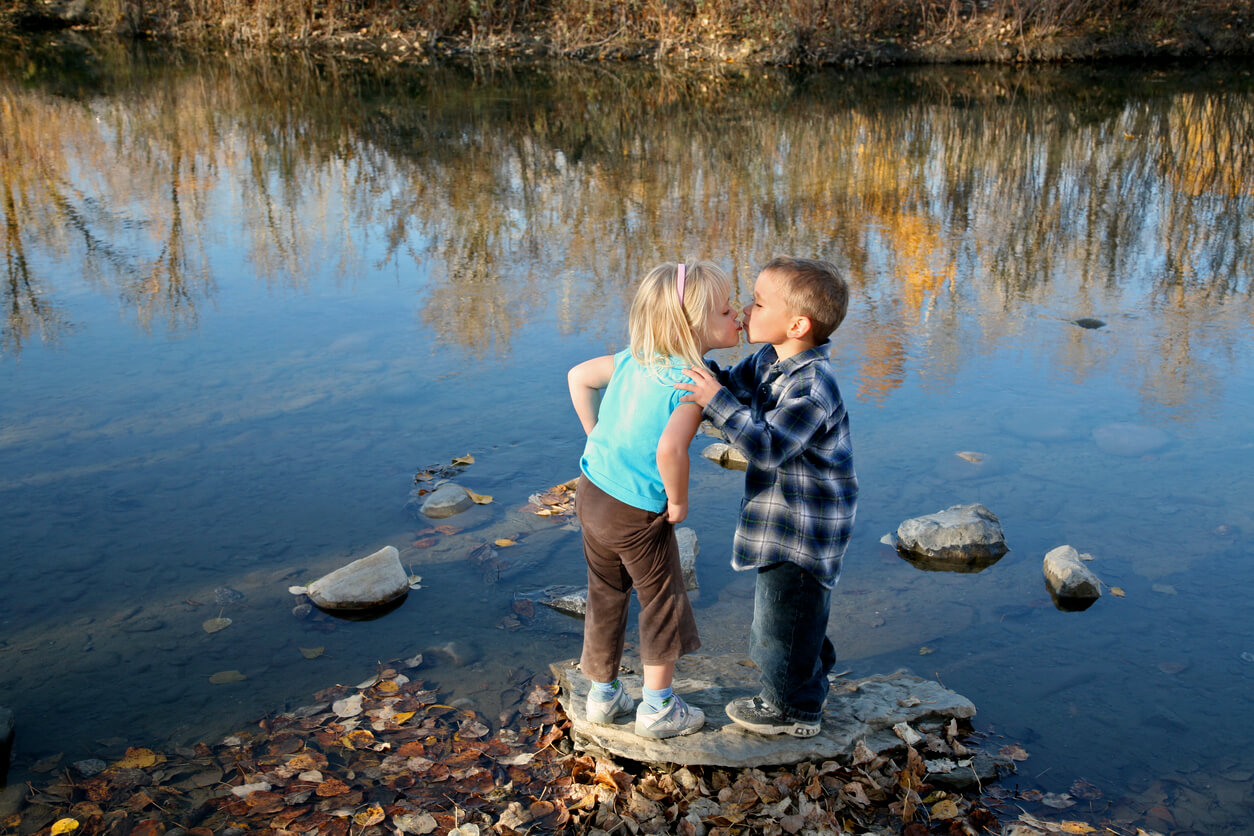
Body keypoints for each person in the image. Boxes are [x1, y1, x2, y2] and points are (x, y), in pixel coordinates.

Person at [675, 256, 858, 738]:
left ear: (797, 324)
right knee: (792, 614)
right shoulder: (769, 359)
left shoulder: (814, 386)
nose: (744, 309)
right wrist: (692, 368)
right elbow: (729, 389)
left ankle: (792, 709)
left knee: (777, 624)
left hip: (805, 529)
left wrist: (712, 398)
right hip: (782, 517)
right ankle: (810, 671)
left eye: (757, 303)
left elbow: (766, 445)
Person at [567, 260, 741, 739]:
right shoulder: (691, 383)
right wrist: (679, 503)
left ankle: (602, 695)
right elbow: (671, 449)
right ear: (692, 326)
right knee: (662, 598)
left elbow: (577, 376)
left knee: (605, 593)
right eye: (726, 310)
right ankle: (659, 707)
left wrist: (596, 435)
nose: (738, 316)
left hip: (592, 494)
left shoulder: (631, 358)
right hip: (636, 512)